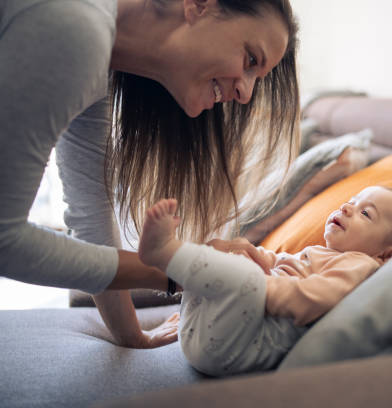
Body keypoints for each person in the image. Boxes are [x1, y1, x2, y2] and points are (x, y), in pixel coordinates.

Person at [0, 0, 299, 348]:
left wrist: (132, 336)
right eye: (250, 60)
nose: (246, 94)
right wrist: (180, 267)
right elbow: (5, 240)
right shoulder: (76, 30)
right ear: (199, 5)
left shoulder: (96, 60)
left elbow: (91, 219)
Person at [137, 186, 392, 375]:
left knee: (242, 274)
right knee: (234, 256)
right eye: (351, 202)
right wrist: (251, 253)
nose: (346, 208)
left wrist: (259, 283)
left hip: (239, 347)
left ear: (387, 254)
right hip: (203, 335)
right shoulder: (319, 252)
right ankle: (181, 261)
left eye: (365, 213)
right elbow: (277, 261)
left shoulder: (360, 265)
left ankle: (167, 254)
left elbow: (314, 297)